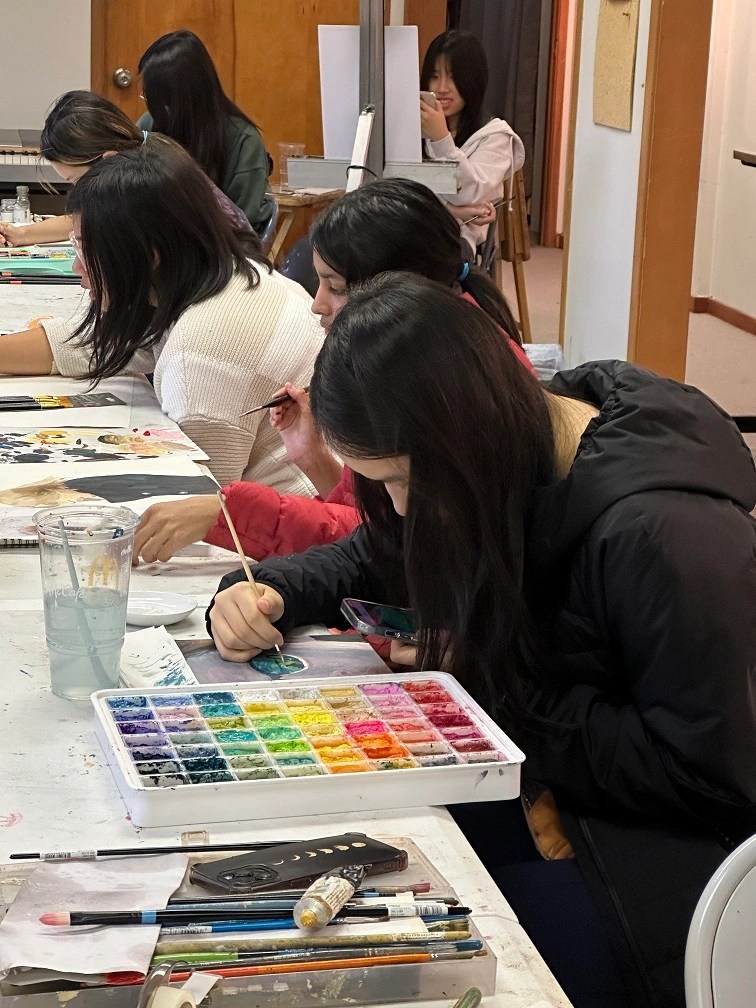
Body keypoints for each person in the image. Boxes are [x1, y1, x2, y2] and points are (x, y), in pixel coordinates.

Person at [207, 274, 756, 1008]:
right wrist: (269, 589)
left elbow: (710, 776)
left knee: (385, 965)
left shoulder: (667, 537)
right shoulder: (500, 444)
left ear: (458, 444)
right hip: (536, 781)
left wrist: (489, 681)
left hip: (649, 864)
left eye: (400, 480)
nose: (400, 507)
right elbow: (380, 552)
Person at [133, 177, 531, 564]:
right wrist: (315, 458)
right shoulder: (435, 346)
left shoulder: (453, 380)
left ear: (397, 293)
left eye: (336, 287)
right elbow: (378, 520)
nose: (317, 304)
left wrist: (230, 514)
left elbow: (394, 545)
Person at [0, 142, 323, 490]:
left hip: (285, 514)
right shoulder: (221, 274)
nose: (77, 267)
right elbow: (91, 344)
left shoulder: (200, 356)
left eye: (86, 249)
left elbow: (202, 498)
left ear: (148, 254)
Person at [0, 90, 251, 248]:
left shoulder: (146, 183)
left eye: (77, 180)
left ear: (109, 159)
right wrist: (21, 234)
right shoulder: (144, 149)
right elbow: (82, 220)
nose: (78, 190)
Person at [137, 30, 272, 235]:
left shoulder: (243, 141)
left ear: (182, 99)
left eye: (157, 99)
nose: (151, 106)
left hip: (215, 245)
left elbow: (244, 226)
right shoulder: (149, 124)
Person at [419, 29, 525, 253]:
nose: (442, 88)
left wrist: (441, 139)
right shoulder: (414, 128)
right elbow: (395, 186)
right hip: (408, 227)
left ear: (473, 80)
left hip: (454, 241)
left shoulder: (495, 136)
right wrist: (451, 210)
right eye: (435, 76)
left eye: (453, 77)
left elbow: (469, 194)